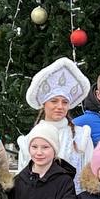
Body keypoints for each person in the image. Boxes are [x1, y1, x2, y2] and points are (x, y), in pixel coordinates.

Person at [16, 58, 94, 190]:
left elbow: (90, 175)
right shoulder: (29, 140)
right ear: (44, 103)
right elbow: (23, 181)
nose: (60, 106)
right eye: (54, 101)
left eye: (65, 102)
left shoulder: (81, 137)